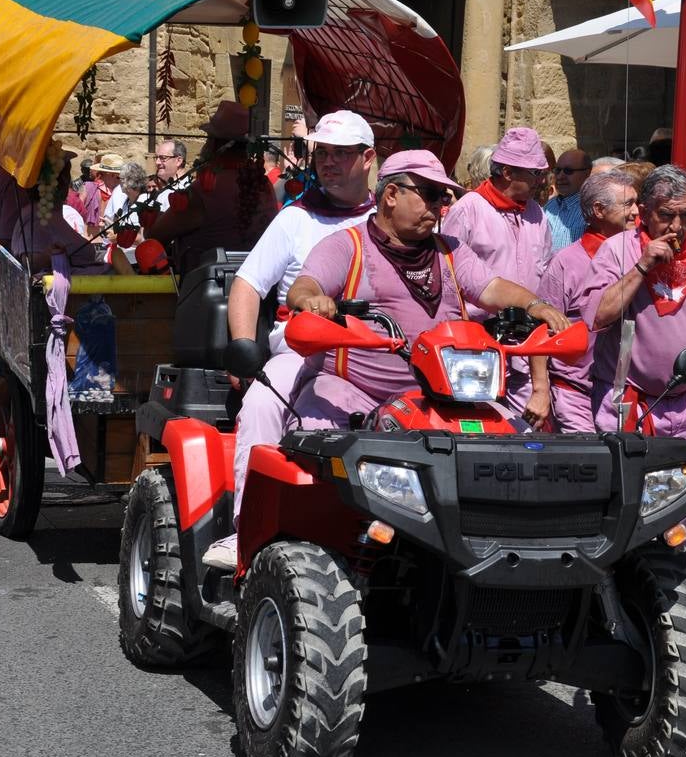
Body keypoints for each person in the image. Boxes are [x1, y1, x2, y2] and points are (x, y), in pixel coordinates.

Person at [202, 110, 380, 570]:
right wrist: (245, 348)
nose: (329, 163)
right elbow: (247, 285)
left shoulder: (388, 221)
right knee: (262, 403)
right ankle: (245, 529)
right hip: (302, 352)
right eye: (324, 153)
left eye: (342, 154)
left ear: (368, 158)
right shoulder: (295, 219)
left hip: (377, 355)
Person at [285, 159, 567, 432]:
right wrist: (312, 300)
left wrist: (534, 305)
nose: (438, 205)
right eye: (430, 194)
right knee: (314, 436)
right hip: (355, 392)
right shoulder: (347, 245)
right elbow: (306, 286)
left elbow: (491, 288)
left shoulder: (451, 249)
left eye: (443, 198)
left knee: (510, 443)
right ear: (392, 194)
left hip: (445, 397)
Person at [580, 165, 686, 529]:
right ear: (643, 212)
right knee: (630, 502)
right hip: (635, 402)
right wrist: (642, 266)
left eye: (685, 215)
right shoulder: (617, 251)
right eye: (666, 215)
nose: (677, 226)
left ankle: (672, 560)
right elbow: (598, 316)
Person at [441, 127, 555, 420]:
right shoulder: (468, 210)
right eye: (534, 173)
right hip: (478, 349)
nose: (541, 180)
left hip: (529, 347)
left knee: (526, 433)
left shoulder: (537, 214)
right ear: (506, 172)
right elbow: (450, 280)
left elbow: (542, 273)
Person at [535, 169, 639, 432]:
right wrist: (540, 390)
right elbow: (540, 330)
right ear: (599, 209)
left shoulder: (642, 256)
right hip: (575, 392)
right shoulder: (566, 263)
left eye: (637, 202)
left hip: (623, 393)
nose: (637, 212)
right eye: (628, 204)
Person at [145, 101, 277, 273]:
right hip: (256, 285)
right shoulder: (264, 184)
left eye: (209, 138)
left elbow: (156, 234)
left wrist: (150, 217)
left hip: (207, 288)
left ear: (215, 144)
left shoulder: (205, 190)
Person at [543, 147, 590, 251]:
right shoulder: (549, 206)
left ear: (587, 174)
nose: (560, 176)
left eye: (568, 171)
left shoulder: (591, 210)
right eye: (557, 170)